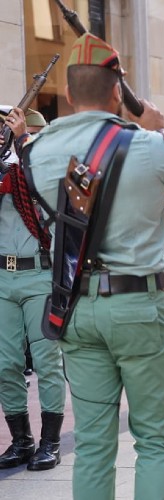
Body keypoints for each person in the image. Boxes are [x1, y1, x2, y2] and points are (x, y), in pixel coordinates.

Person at [22, 33, 164, 499]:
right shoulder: (147, 143)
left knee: (91, 444)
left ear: (68, 94)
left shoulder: (36, 150)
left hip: (76, 307)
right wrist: (159, 130)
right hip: (139, 306)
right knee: (154, 441)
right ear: (117, 92)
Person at [0, 108, 67, 471]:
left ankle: (51, 441)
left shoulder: (41, 169)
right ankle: (21, 440)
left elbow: (53, 200)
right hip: (2, 277)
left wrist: (25, 147)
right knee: (4, 363)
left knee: (46, 362)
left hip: (39, 275)